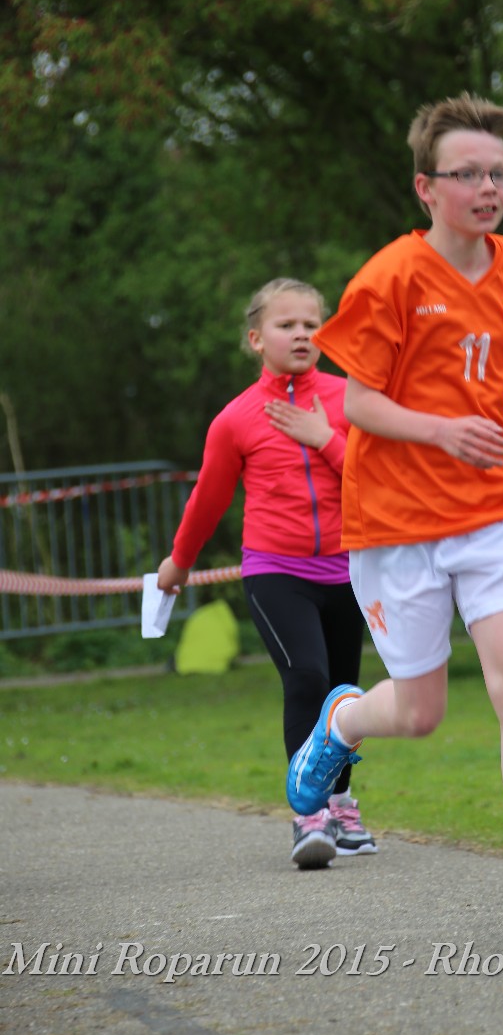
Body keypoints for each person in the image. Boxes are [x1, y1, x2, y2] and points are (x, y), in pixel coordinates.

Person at [285, 93, 503, 946]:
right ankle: (341, 723)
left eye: (498, 174)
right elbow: (358, 402)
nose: (487, 188)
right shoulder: (390, 277)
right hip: (396, 523)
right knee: (420, 713)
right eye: (468, 174)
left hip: (492, 509)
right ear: (426, 187)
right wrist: (440, 429)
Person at [157, 278, 376, 870]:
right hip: (276, 570)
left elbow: (378, 479)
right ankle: (310, 817)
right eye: (287, 325)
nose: (302, 334)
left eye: (312, 324)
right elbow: (208, 499)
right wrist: (180, 560)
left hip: (349, 570)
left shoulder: (351, 399)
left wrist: (324, 438)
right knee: (307, 677)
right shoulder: (235, 419)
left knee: (343, 694)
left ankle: (341, 804)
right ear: (256, 339)